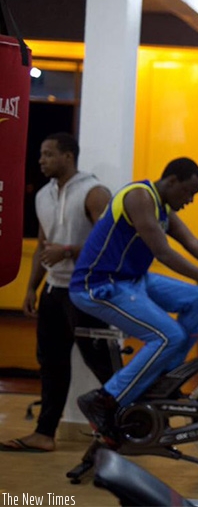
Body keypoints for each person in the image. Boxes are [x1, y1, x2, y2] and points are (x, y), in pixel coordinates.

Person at [68, 157, 198, 446]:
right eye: (188, 192)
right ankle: (104, 399)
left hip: (132, 279)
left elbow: (193, 243)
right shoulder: (139, 196)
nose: (190, 200)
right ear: (171, 181)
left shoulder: (163, 207)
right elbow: (163, 253)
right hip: (99, 284)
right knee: (168, 336)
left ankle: (165, 379)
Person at [0, 133, 115, 453]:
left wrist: (70, 250)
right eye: (41, 154)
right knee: (51, 364)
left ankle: (123, 431)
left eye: (48, 154)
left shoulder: (94, 192)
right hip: (53, 291)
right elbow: (42, 246)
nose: (41, 160)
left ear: (68, 156)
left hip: (87, 292)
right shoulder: (43, 195)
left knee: (104, 365)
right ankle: (44, 434)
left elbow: (110, 243)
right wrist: (31, 288)